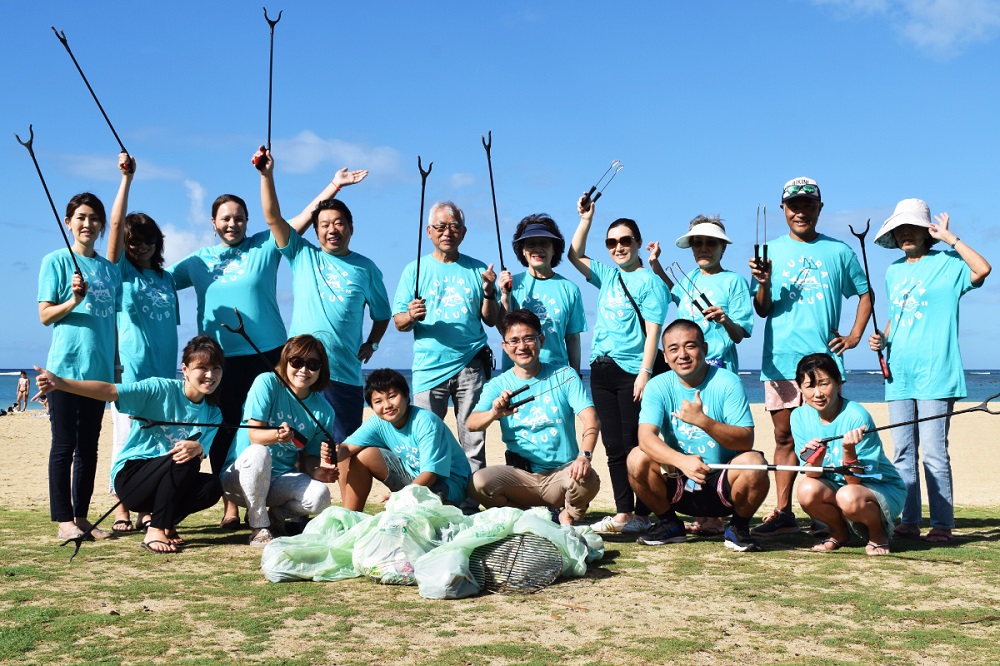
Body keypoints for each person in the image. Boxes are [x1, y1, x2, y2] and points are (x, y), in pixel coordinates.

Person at [748, 177, 872, 537]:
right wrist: (764, 282)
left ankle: (829, 513)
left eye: (807, 205)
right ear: (784, 210)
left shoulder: (840, 252)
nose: (800, 212)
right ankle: (784, 511)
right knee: (785, 437)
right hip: (780, 362)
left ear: (820, 207)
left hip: (824, 363)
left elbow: (865, 294)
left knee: (830, 437)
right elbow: (762, 309)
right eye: (793, 205)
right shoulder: (768, 250)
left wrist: (854, 336)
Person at [869, 199, 991, 544]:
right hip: (899, 373)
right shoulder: (894, 271)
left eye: (913, 227)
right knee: (903, 452)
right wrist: (883, 339)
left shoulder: (949, 262)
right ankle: (909, 520)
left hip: (937, 371)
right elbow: (899, 315)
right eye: (900, 229)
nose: (905, 234)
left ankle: (941, 524)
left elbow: (983, 269)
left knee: (935, 451)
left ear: (927, 232)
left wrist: (952, 239)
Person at [34, 335, 225, 554]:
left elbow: (201, 452)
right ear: (185, 369)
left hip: (168, 478)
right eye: (202, 367)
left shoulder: (213, 413)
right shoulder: (160, 389)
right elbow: (110, 390)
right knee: (184, 459)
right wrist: (60, 383)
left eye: (217, 368)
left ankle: (165, 521)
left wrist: (199, 449)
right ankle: (156, 529)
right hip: (132, 477)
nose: (210, 375)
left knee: (211, 486)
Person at [256, 149, 387, 444]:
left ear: (351, 228)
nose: (332, 229)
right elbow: (273, 218)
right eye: (325, 225)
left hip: (343, 376)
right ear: (315, 232)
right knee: (293, 449)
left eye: (339, 223)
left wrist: (373, 343)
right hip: (297, 374)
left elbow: (382, 314)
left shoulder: (366, 268)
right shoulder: (302, 254)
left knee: (343, 451)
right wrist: (267, 176)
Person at [567, 196, 669, 534]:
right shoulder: (608, 276)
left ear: (639, 243)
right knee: (612, 446)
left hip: (632, 372)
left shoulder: (651, 282)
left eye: (626, 241)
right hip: (602, 369)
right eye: (612, 243)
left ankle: (643, 511)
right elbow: (574, 255)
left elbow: (654, 331)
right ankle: (624, 513)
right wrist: (586, 219)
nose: (618, 247)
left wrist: (645, 372)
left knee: (634, 445)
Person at [649, 215, 754, 537]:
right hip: (687, 372)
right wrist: (656, 267)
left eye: (710, 243)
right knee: (692, 434)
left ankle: (718, 512)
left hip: (719, 370)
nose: (703, 248)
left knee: (719, 436)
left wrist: (724, 319)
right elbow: (676, 293)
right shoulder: (688, 277)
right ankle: (702, 508)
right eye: (697, 243)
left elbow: (741, 334)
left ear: (723, 247)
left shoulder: (734, 282)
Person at [627, 320, 767, 552]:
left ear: (705, 348)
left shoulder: (728, 382)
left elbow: (746, 440)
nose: (682, 354)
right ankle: (669, 523)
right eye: (674, 349)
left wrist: (703, 421)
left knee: (755, 463)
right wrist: (681, 461)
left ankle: (738, 528)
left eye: (690, 346)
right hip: (678, 481)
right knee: (636, 457)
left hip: (722, 482)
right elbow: (646, 438)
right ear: (664, 356)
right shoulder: (657, 386)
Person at [391, 201, 499, 480]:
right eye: (440, 226)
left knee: (473, 438)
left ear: (463, 232)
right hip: (429, 367)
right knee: (428, 438)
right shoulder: (413, 270)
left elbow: (491, 319)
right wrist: (411, 315)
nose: (447, 232)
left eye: (454, 227)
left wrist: (488, 291)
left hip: (471, 364)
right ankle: (432, 496)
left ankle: (471, 501)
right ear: (429, 231)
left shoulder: (479, 270)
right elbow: (399, 322)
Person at [38, 191, 121, 541]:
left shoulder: (109, 269)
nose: (88, 224)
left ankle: (82, 516)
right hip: (64, 370)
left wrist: (116, 363)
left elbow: (113, 322)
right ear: (68, 222)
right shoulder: (55, 261)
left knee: (90, 446)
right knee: (64, 445)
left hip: (99, 372)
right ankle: (63, 521)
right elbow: (44, 316)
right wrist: (73, 300)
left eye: (94, 218)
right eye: (81, 217)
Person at [467, 310, 600, 524]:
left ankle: (568, 515)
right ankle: (526, 516)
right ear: (504, 346)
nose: (522, 346)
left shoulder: (565, 376)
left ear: (541, 340)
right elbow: (472, 423)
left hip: (562, 473)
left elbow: (591, 418)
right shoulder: (498, 385)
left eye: (529, 338)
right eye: (514, 341)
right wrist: (494, 413)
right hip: (522, 476)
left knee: (588, 479)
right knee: (477, 483)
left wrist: (584, 456)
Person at [106, 153, 180, 533]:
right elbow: (116, 227)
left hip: (165, 373)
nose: (141, 246)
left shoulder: (167, 280)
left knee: (160, 441)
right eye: (135, 241)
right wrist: (127, 180)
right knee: (127, 438)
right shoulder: (120, 273)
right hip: (131, 370)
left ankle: (148, 506)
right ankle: (122, 507)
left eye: (149, 240)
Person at [221, 334, 338, 546]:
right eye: (297, 362)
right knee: (259, 451)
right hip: (239, 480)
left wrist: (317, 471)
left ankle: (276, 516)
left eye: (313, 364)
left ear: (321, 369)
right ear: (286, 361)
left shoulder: (325, 411)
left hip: (279, 482)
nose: (303, 370)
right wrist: (277, 436)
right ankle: (259, 526)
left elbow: (308, 455)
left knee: (321, 496)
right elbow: (254, 435)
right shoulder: (266, 382)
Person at [792, 353, 906, 555]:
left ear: (838, 383)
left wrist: (848, 449)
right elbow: (813, 474)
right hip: (838, 487)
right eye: (810, 386)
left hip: (877, 487)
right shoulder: (799, 416)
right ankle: (839, 533)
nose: (817, 393)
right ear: (800, 388)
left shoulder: (856, 415)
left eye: (824, 384)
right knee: (806, 490)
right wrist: (815, 456)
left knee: (848, 495)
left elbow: (854, 482)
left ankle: (879, 534)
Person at [335, 369, 471, 510]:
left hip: (448, 482)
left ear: (407, 396)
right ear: (372, 406)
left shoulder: (425, 421)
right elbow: (346, 448)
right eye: (378, 401)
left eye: (392, 396)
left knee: (422, 513)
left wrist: (401, 496)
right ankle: (350, 516)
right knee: (354, 456)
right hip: (414, 477)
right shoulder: (378, 422)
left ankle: (447, 507)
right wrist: (332, 454)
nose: (387, 405)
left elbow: (430, 474)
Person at [496, 215, 587, 373]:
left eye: (544, 243)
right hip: (516, 374)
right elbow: (503, 329)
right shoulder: (511, 284)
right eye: (531, 244)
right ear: (523, 251)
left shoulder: (570, 289)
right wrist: (505, 295)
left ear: (554, 249)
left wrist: (576, 374)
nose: (538, 249)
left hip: (557, 374)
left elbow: (572, 338)